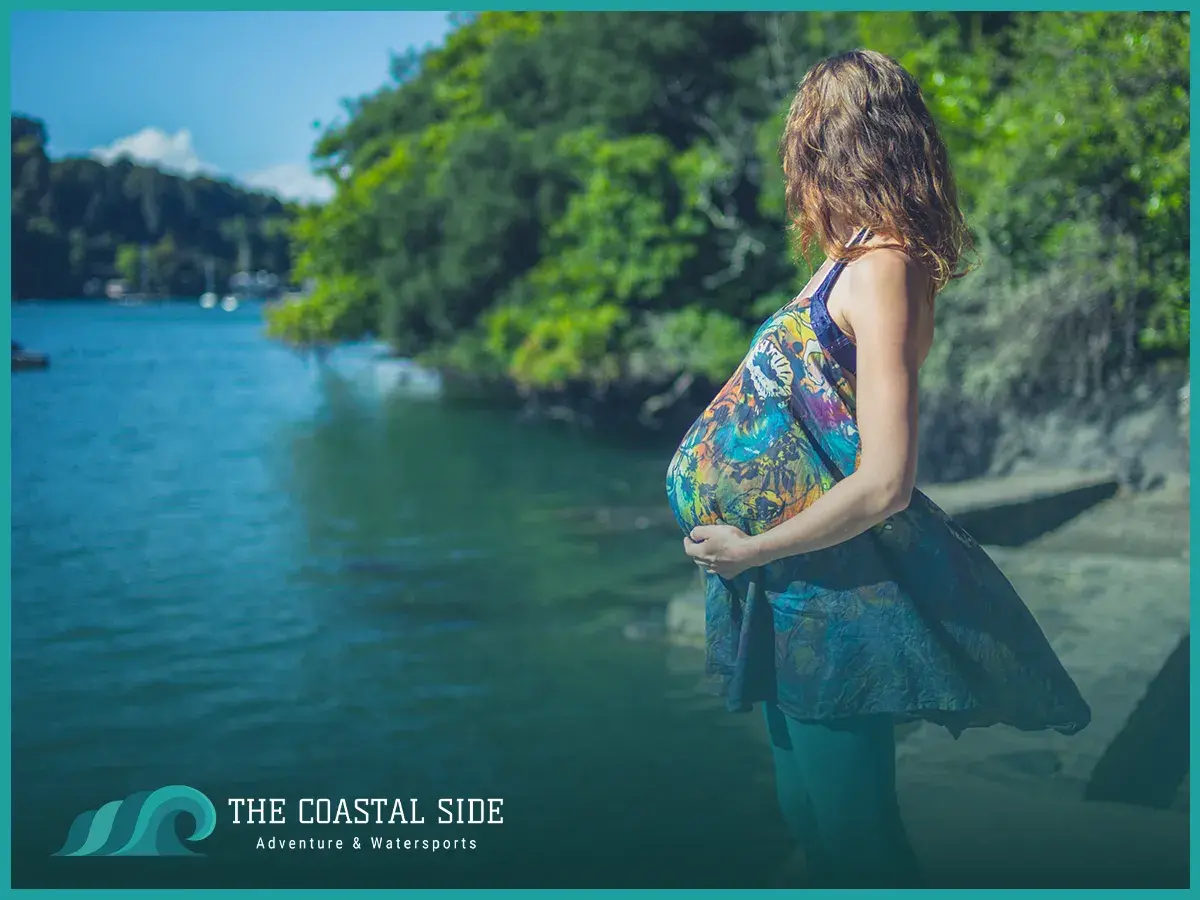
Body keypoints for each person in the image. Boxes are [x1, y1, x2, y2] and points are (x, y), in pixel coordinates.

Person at [664, 49, 1091, 888]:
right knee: (811, 821)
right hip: (789, 588)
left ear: (838, 144)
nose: (796, 164)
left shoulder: (886, 266)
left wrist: (753, 549)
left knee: (858, 837)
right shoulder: (846, 260)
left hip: (833, 590)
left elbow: (887, 478)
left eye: (805, 141)